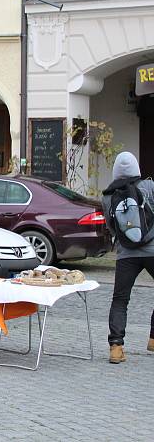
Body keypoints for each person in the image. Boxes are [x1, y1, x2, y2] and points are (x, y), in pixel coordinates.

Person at [101, 151, 154, 364]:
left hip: (125, 255)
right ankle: (153, 338)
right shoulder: (150, 187)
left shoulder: (107, 196)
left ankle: (116, 346)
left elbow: (111, 227)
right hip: (153, 251)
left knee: (120, 299)